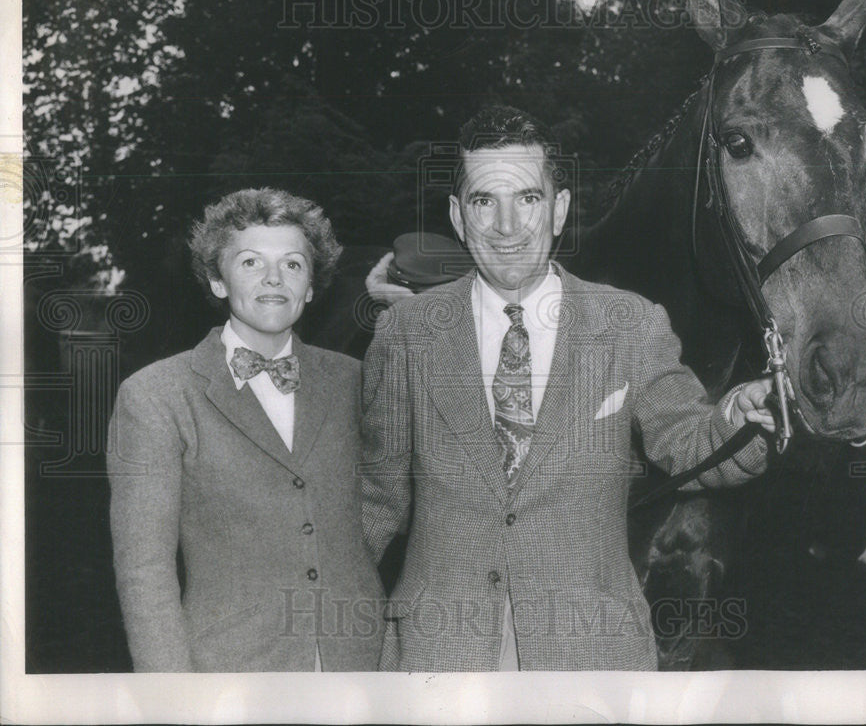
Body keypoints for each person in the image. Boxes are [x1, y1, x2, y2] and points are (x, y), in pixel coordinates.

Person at [360, 105, 776, 672]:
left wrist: (736, 418)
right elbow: (375, 501)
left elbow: (689, 436)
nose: (507, 226)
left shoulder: (630, 323)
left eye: (528, 198)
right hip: (438, 659)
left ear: (558, 210)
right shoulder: (406, 332)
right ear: (458, 219)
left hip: (591, 656)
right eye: (485, 201)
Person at [108, 188, 383, 672]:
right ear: (217, 280)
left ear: (312, 286)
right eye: (252, 263)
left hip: (357, 661)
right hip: (229, 671)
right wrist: (172, 699)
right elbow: (144, 571)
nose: (275, 278)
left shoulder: (354, 380)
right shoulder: (156, 395)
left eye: (294, 264)